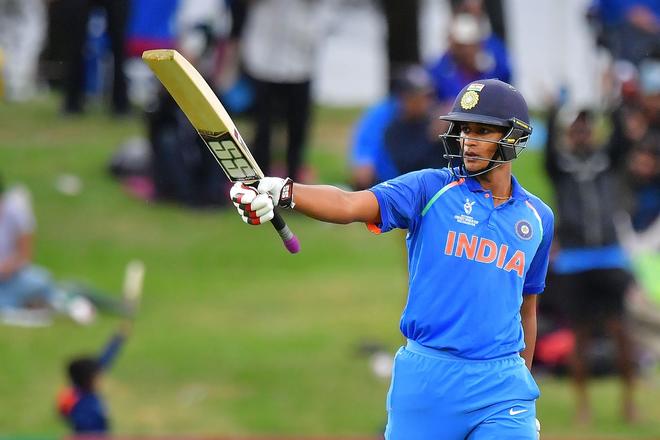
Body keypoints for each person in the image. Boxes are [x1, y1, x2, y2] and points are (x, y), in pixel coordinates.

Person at [230, 79, 553, 439]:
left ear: (513, 136)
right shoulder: (429, 189)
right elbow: (349, 204)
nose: (469, 141)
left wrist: (522, 386)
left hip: (502, 386)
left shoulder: (538, 218)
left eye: (482, 131)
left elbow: (527, 308)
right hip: (428, 378)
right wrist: (286, 191)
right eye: (465, 130)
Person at [544, 103, 638, 424]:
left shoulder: (605, 161)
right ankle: (582, 407)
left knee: (621, 331)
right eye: (577, 128)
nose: (582, 132)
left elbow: (622, 139)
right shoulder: (561, 167)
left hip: (609, 255)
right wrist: (554, 110)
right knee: (579, 335)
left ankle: (629, 404)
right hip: (574, 262)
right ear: (569, 133)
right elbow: (549, 152)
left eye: (587, 127)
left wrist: (612, 103)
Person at [240, 0, 331, 181]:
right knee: (262, 129)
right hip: (264, 58)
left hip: (301, 60)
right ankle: (259, 182)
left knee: (297, 129)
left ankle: (294, 184)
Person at [0, 178, 95, 325]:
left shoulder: (15, 213)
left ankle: (64, 299)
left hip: (14, 277)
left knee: (39, 281)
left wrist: (6, 268)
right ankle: (38, 303)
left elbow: (25, 256)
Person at [350, 64, 448, 189]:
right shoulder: (390, 123)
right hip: (398, 187)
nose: (426, 102)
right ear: (404, 98)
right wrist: (431, 138)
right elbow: (408, 165)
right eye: (419, 97)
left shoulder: (434, 119)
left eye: (428, 96)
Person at [57, 316, 134, 434]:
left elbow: (104, 361)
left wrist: (119, 338)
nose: (101, 379)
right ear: (88, 380)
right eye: (97, 377)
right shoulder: (84, 406)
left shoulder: (80, 392)